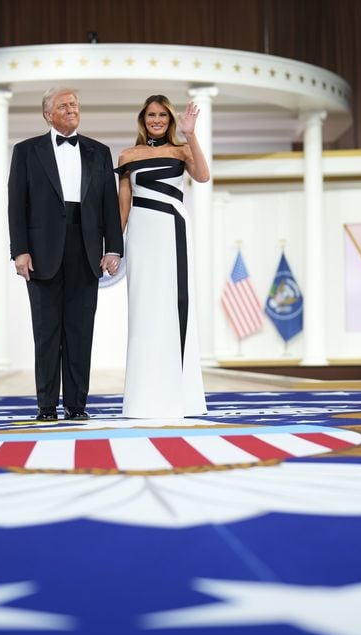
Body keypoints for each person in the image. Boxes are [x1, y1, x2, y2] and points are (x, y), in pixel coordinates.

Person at [8, 87, 123, 421]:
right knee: (46, 333)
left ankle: (77, 405)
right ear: (48, 114)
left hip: (86, 250)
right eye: (64, 105)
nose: (72, 109)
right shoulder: (26, 151)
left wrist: (113, 248)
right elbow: (17, 205)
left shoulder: (99, 151)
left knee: (80, 331)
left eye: (75, 104)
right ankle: (46, 406)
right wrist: (20, 252)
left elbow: (108, 206)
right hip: (41, 253)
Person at [116, 94, 209, 418]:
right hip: (141, 235)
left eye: (162, 116)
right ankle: (143, 398)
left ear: (170, 120)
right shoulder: (127, 155)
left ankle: (182, 397)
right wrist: (114, 246)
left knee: (173, 306)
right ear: (143, 119)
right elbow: (123, 205)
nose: (156, 120)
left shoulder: (182, 150)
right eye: (151, 115)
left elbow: (203, 176)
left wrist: (191, 133)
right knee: (144, 310)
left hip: (173, 230)